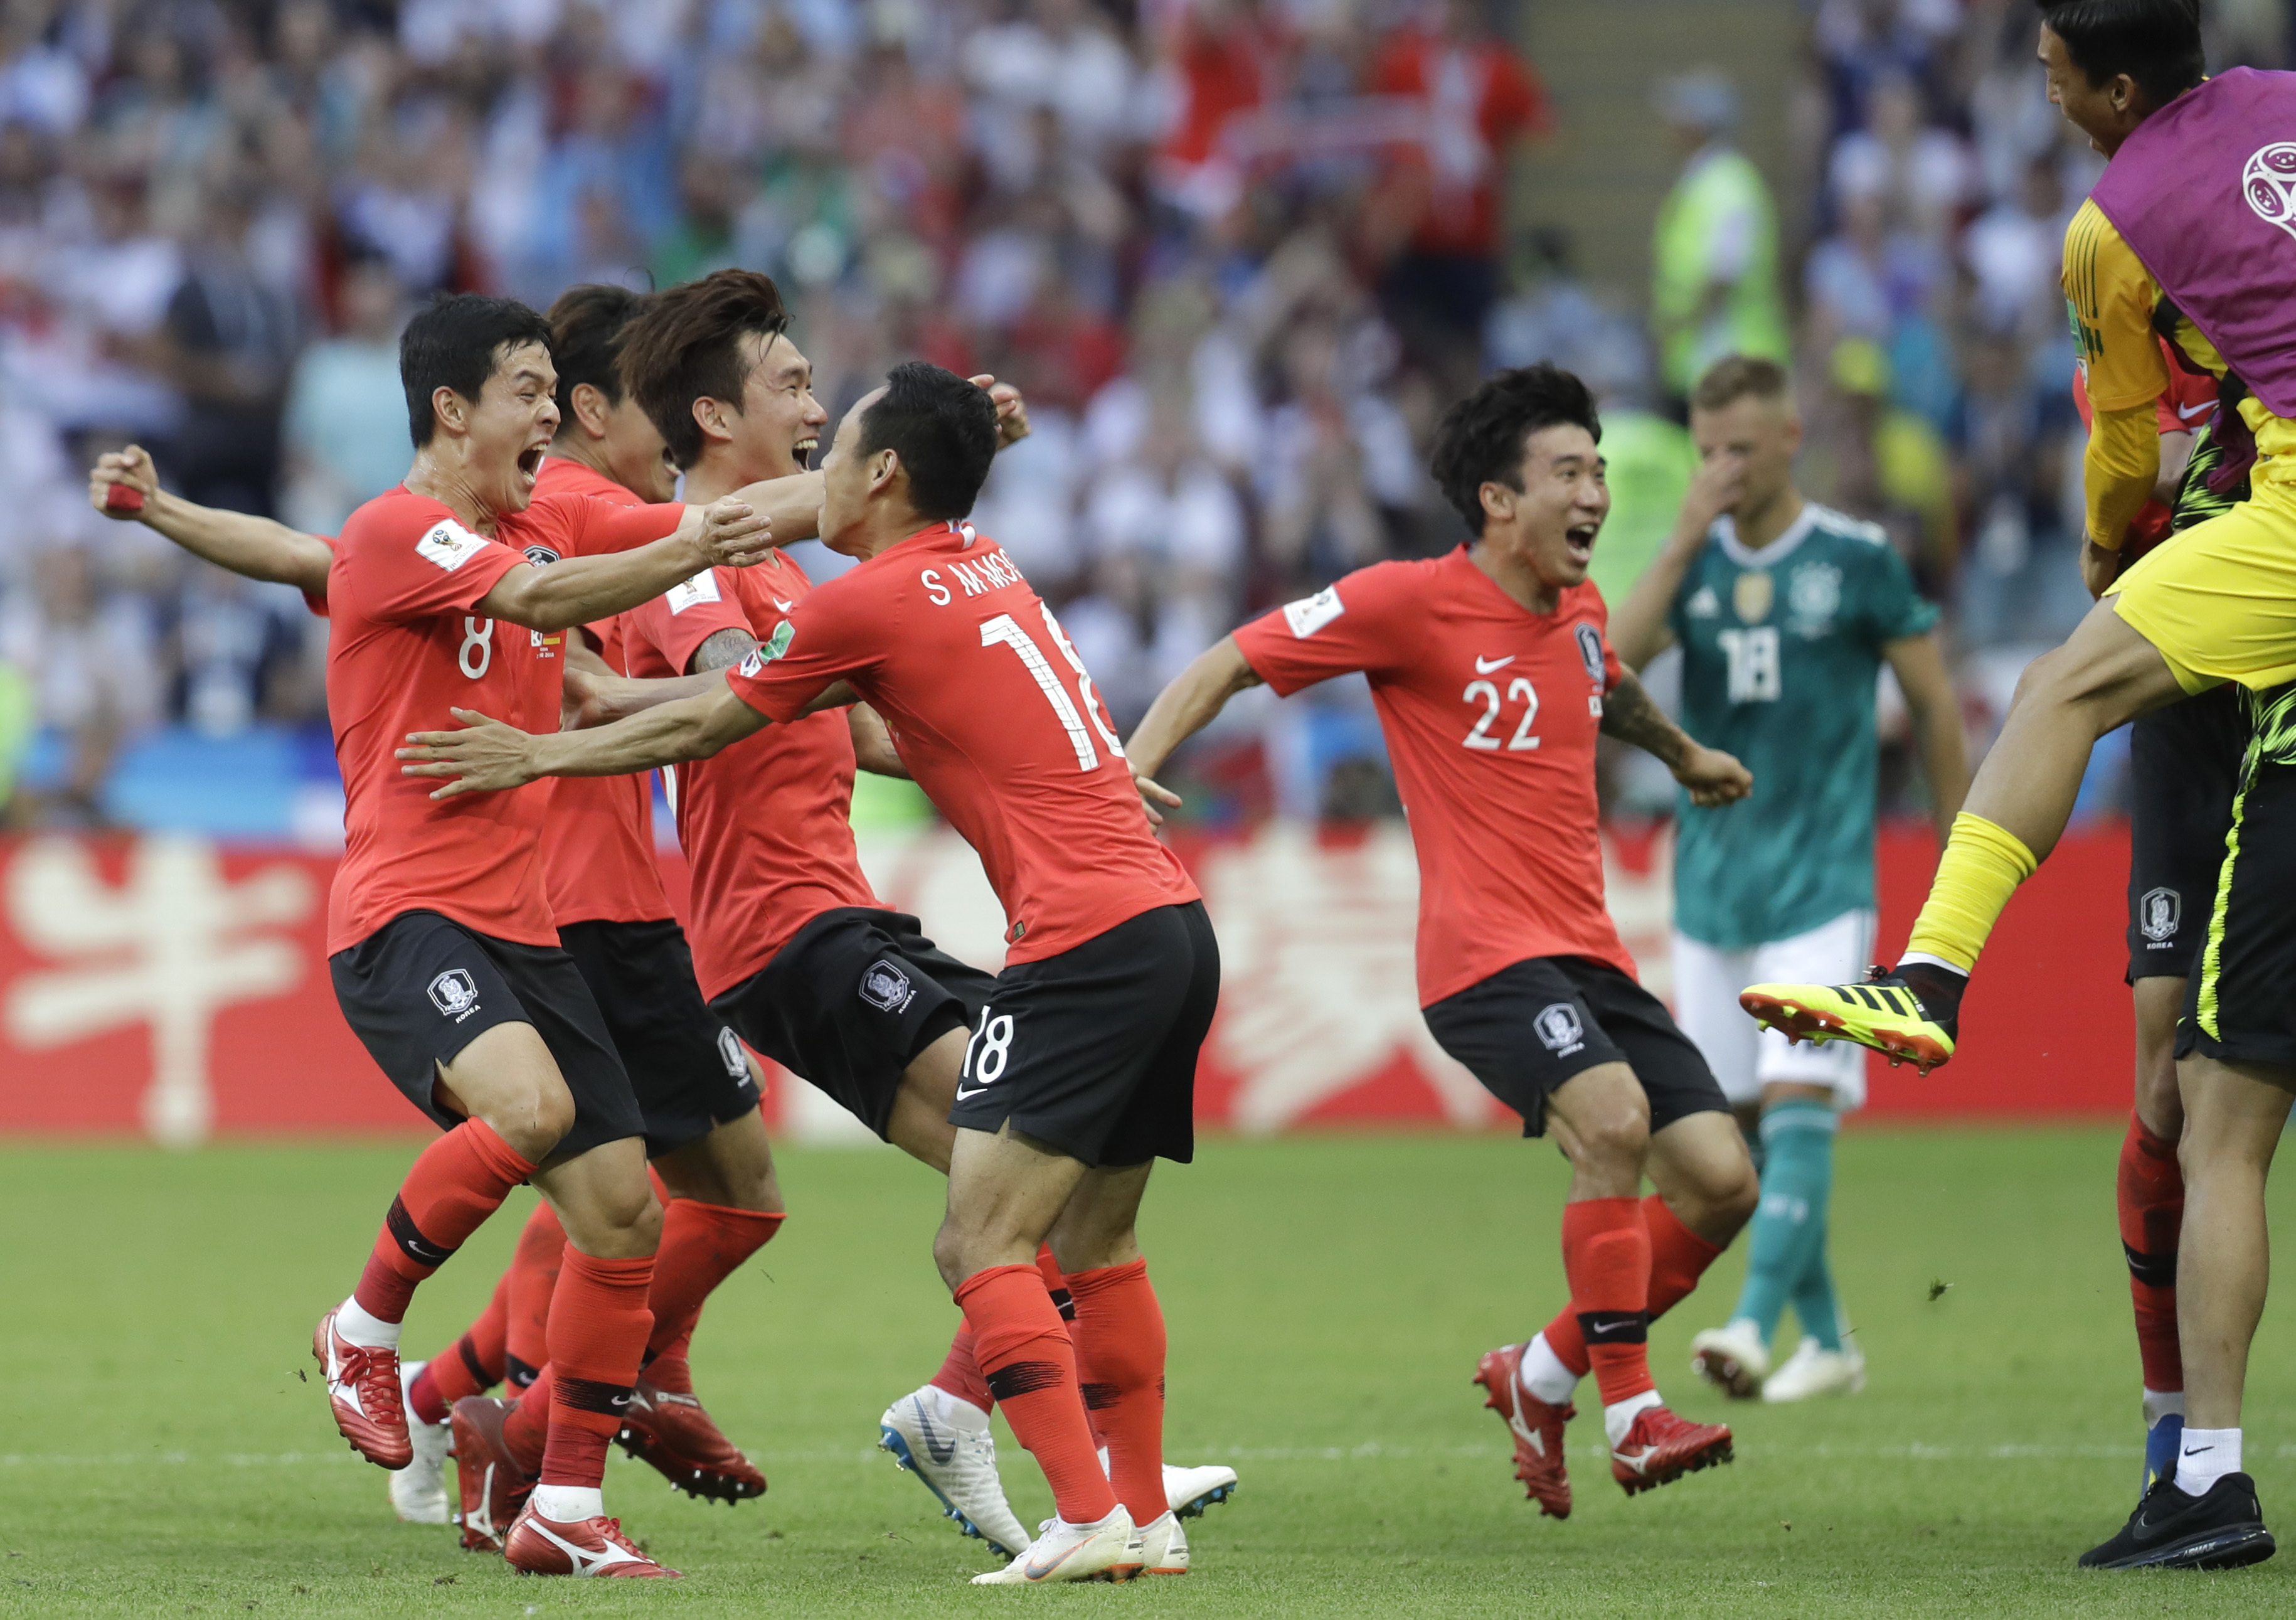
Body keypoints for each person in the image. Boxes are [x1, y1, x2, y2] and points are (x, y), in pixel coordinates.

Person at [400, 361, 1217, 1585]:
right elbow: (864, 706)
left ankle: (1068, 1495)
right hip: (1173, 924)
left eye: (839, 455)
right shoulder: (983, 566)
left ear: (882, 474)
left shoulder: (862, 602)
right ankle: (1133, 1510)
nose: (815, 470)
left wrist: (537, 755)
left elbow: (704, 723)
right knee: (1095, 1238)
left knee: (981, 1241)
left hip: (1075, 941)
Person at [1742, 1, 2292, 1572]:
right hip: (2238, 615)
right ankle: (2186, 1463)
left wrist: (2108, 563)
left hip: (2260, 557)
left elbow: (2120, 452)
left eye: (2052, 72)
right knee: (2177, 1096)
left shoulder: (2110, 231)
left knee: (2058, 684)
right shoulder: (2274, 104)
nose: (2037, 92)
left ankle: (1926, 969)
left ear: (2111, 86)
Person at [1122, 363, 1759, 1520]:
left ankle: (1543, 1371)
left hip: (1591, 954)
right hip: (1484, 958)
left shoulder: (1578, 613)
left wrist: (1682, 755)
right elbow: (1230, 659)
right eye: (1569, 471)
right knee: (1612, 1122)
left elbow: (1605, 684)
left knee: (1721, 1184)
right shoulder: (1405, 602)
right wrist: (1133, 766)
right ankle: (1631, 1412)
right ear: (1497, 499)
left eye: (1600, 470)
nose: (1598, 493)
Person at [312, 290, 771, 1578]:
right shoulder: (402, 532)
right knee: (521, 1110)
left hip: (527, 932)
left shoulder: (531, 522)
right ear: (450, 407)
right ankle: (363, 1326)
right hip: (408, 911)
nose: (547, 413)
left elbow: (611, 647)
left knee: (624, 1211)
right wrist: (703, 545)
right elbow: (562, 592)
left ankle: (562, 1508)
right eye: (525, 389)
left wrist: (859, 491)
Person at [1607, 354, 1969, 1404]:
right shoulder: (1697, 563)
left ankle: (1756, 1326)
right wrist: (1681, 535)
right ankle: (1829, 1339)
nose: (1724, 466)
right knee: (1732, 1138)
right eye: (1707, 448)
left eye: (1741, 448)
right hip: (1716, 884)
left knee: (1801, 1088)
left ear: (1789, 441)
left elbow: (1937, 707)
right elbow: (1602, 675)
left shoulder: (1857, 558)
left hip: (1821, 874)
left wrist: (1964, 850)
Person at [2071, 334, 2245, 1504]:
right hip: (2188, 691)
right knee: (2168, 1080)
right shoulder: (2120, 333)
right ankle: (2171, 1413)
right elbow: (2127, 504)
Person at [1649, 69, 1790, 410]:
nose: (1668, 126)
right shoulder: (1708, 181)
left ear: (1697, 126)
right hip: (1704, 364)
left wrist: (1678, 323)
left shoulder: (1728, 185)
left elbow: (1723, 274)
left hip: (1724, 364)